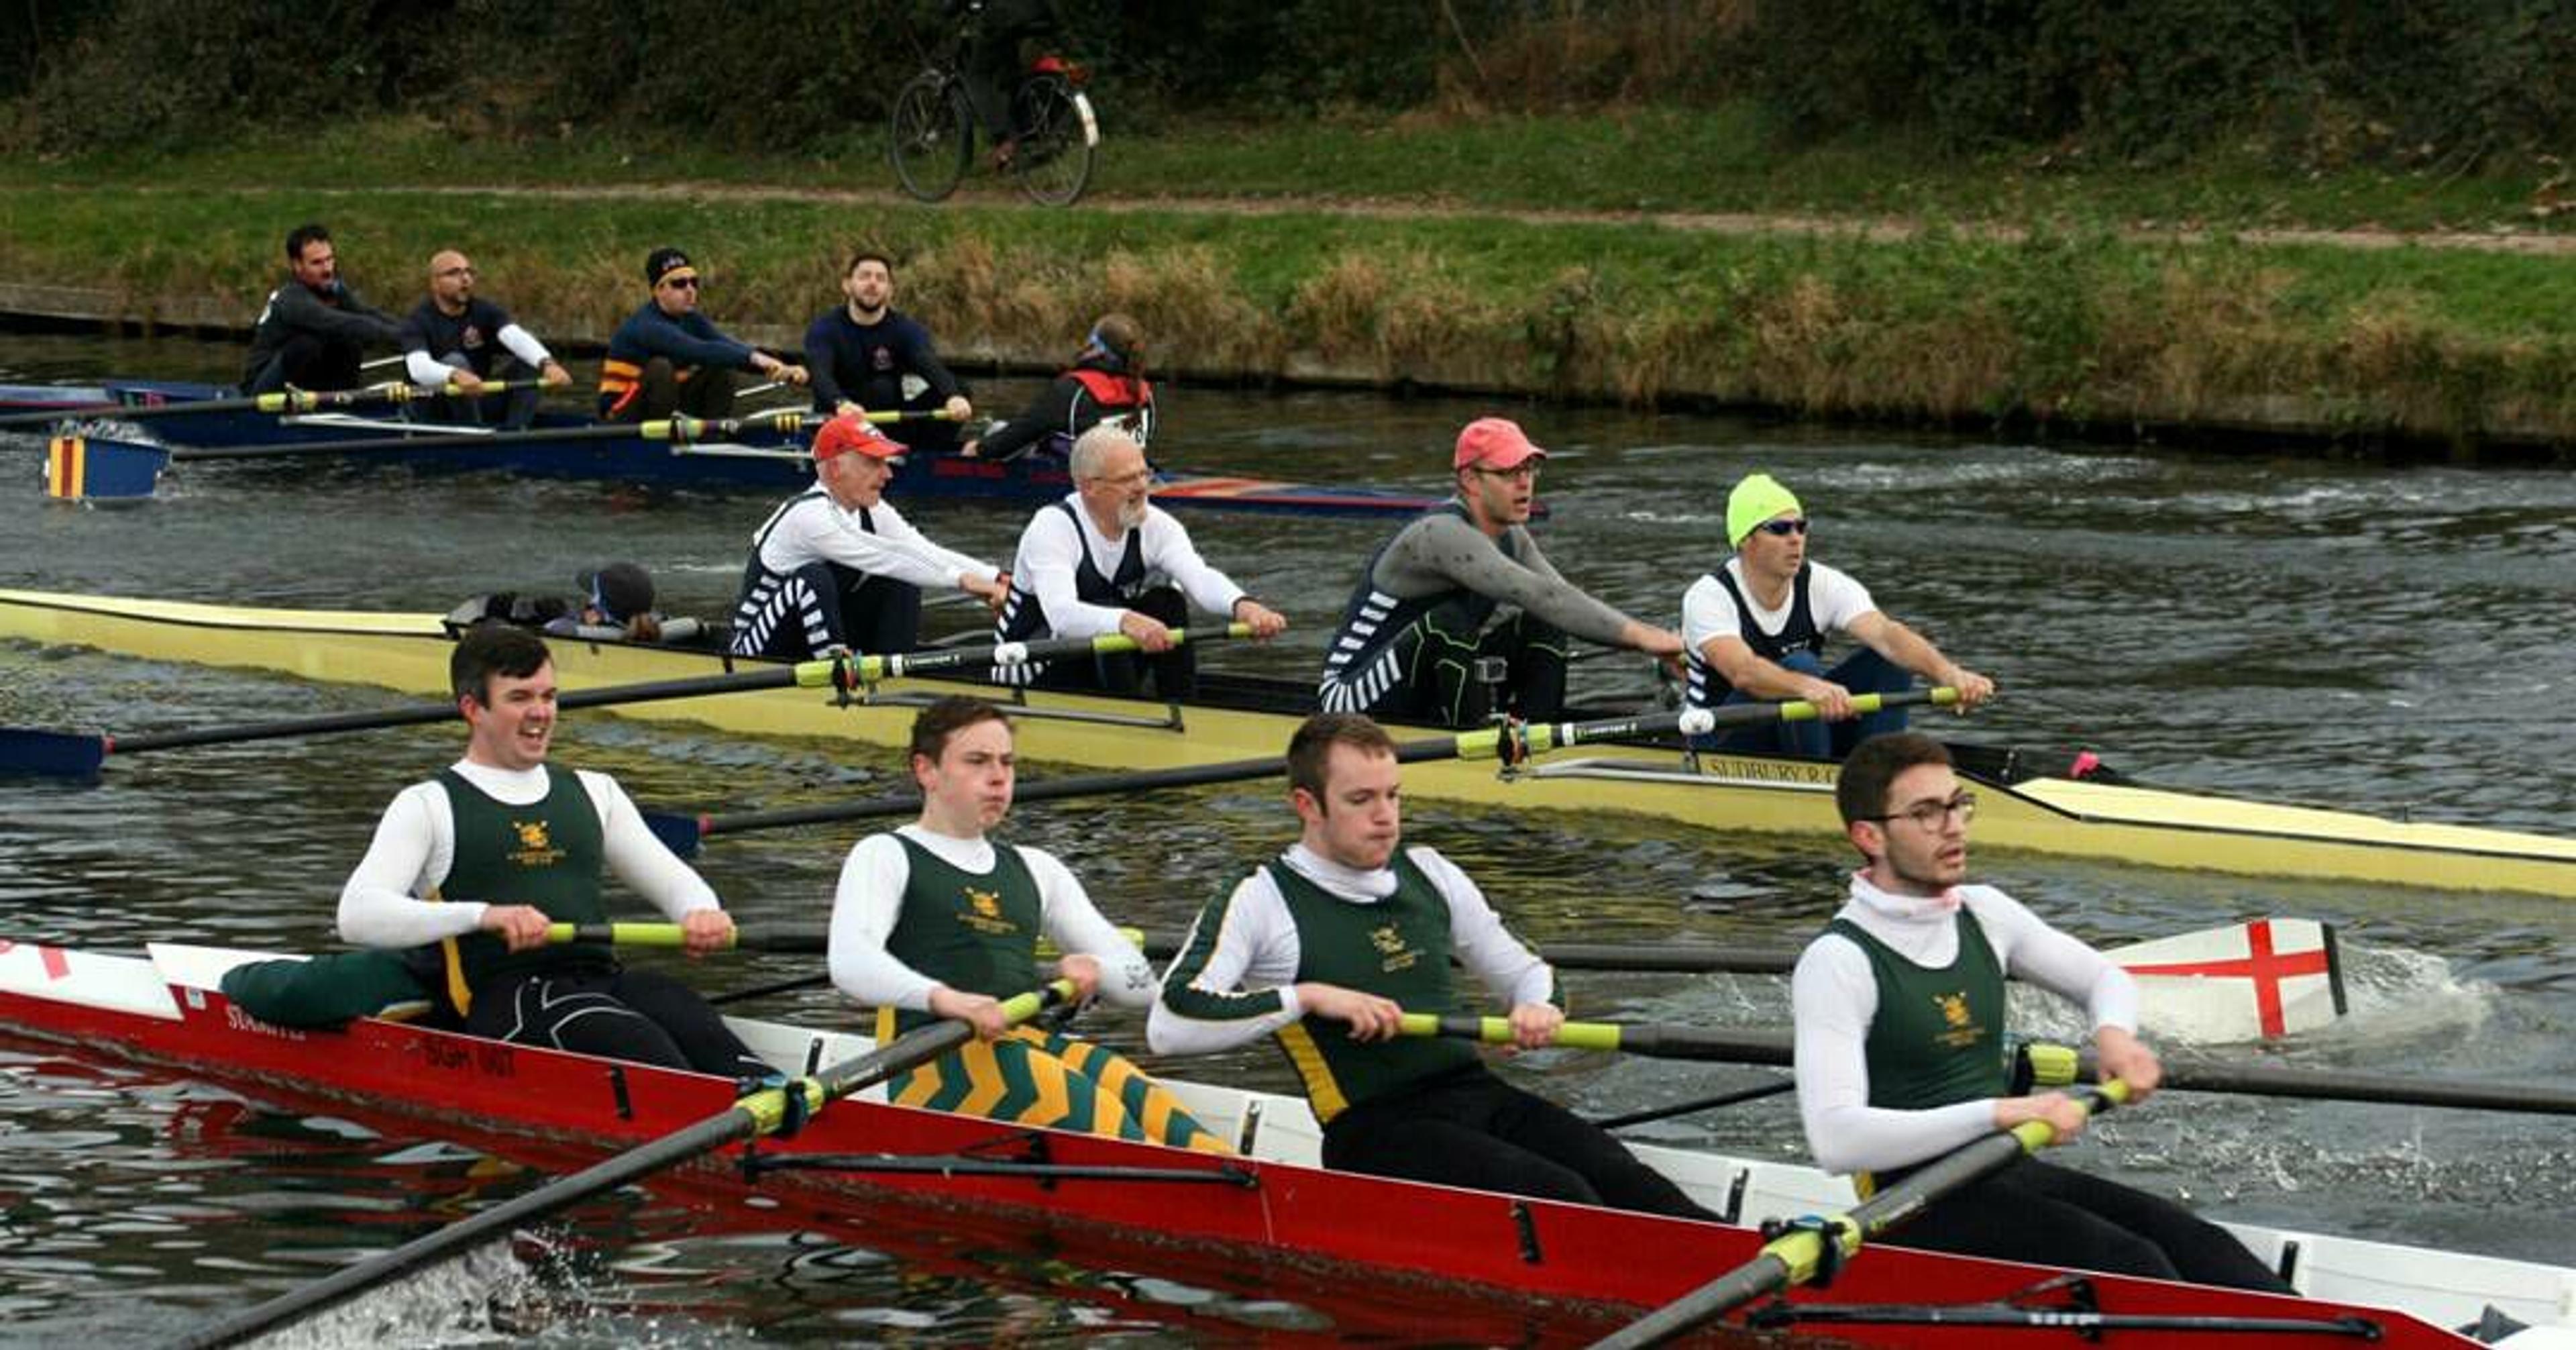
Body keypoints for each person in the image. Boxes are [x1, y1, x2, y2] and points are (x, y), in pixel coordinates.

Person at [1150, 712, 1715, 1219]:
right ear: (1307, 805)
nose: (1385, 818)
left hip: (1477, 1094)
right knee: (1560, 1195)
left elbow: (1526, 971)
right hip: (1373, 1131)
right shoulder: (1261, 898)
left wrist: (1537, 1007)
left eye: (1394, 796)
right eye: (1361, 800)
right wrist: (1310, 998)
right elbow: (1170, 1025)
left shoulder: (1430, 872)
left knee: (1628, 1180)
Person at [1790, 731, 2290, 1290]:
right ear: (1869, 835)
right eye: (1927, 814)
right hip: (1911, 1201)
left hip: (2004, 1168)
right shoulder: (1837, 962)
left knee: (2202, 1247)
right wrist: (2002, 1114)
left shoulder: (1985, 913)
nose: (1953, 827)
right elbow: (1837, 1141)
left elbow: (2105, 976)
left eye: (1958, 804)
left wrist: (2115, 1037)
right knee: (2133, 1265)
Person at [335, 625, 765, 1077]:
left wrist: (701, 912)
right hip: (508, 1000)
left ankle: (776, 1112)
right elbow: (357, 914)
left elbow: (674, 880)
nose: (541, 713)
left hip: (602, 980)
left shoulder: (596, 791)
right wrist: (485, 916)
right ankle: (743, 1132)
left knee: (693, 1019)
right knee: (635, 1043)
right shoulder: (428, 804)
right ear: (472, 709)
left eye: (549, 696)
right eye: (520, 698)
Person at [829, 696, 1229, 1152]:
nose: (999, 777)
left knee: (1155, 1108)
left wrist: (1100, 971)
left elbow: (1143, 986)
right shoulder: (885, 855)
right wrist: (949, 1000)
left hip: (1025, 1046)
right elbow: (851, 962)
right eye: (977, 761)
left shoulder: (1037, 868)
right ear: (927, 771)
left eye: (1007, 762)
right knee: (1111, 1125)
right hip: (930, 1061)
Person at [1316, 417, 1684, 728]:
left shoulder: (1514, 538)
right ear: (1471, 480)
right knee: (1449, 624)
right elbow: (1542, 595)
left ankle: (1534, 741)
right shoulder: (1439, 534)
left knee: (1546, 623)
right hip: (1348, 702)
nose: (1525, 482)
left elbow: (1564, 600)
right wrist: (1643, 637)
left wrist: (1657, 645)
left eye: (1529, 469)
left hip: (1425, 687)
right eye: (1509, 472)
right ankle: (1481, 752)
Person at [1682, 472, 1994, 759]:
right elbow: (1744, 672)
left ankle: (1875, 769)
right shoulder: (1708, 597)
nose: (1796, 538)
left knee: (1889, 659)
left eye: (1801, 527)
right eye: (1780, 529)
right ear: (1745, 541)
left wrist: (1947, 673)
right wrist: (1806, 686)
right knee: (1802, 664)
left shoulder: (1823, 583)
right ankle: (1822, 780)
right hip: (1720, 739)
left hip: (1799, 723)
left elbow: (1887, 635)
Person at [990, 423, 1285, 698]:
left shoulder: (1156, 525)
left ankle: (1183, 707)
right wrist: (1126, 620)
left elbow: (1200, 577)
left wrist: (1242, 605)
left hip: (1101, 663)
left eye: (1144, 474)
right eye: (1127, 479)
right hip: (1030, 672)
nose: (1142, 487)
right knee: (1111, 616)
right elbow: (1062, 615)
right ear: (1090, 486)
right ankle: (1131, 719)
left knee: (1167, 602)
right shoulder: (1052, 527)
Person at [731, 414, 1010, 660]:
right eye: (874, 462)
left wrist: (996, 578)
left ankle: (894, 674)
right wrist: (971, 584)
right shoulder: (809, 516)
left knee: (906, 574)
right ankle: (836, 675)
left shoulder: (871, 509)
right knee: (815, 577)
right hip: (758, 649)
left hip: (813, 637)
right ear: (836, 468)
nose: (888, 473)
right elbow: (887, 557)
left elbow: (921, 550)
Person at [598, 247, 808, 423]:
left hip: (666, 407)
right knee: (661, 368)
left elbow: (727, 346)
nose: (690, 290)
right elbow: (698, 350)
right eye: (679, 284)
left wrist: (780, 367)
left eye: (693, 282)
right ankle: (659, 446)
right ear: (658, 290)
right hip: (620, 414)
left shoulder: (692, 319)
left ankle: (713, 436)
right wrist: (760, 360)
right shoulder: (646, 326)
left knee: (723, 367)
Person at [804, 250, 971, 452]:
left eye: (880, 279)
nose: (873, 283)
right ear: (847, 285)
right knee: (881, 389)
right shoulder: (825, 329)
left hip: (889, 421)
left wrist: (953, 396)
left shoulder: (905, 329)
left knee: (959, 388)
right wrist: (841, 403)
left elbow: (928, 364)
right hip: (840, 419)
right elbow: (820, 374)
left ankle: (925, 456)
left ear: (890, 289)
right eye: (865, 276)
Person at [399, 249, 574, 429]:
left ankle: (517, 433)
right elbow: (418, 369)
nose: (465, 279)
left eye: (468, 272)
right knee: (455, 361)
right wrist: (454, 374)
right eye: (454, 273)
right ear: (435, 283)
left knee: (530, 361)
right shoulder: (417, 321)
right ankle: (475, 435)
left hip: (477, 396)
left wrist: (547, 364)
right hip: (434, 408)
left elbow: (516, 337)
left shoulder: (484, 310)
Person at [961, 313, 1150, 462]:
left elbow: (1023, 431)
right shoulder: (1144, 394)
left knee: (997, 429)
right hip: (1124, 471)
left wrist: (979, 449)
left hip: (1075, 477)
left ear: (1096, 347)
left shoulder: (1073, 390)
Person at [241, 223, 403, 395]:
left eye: (330, 259)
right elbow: (347, 323)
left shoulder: (333, 289)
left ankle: (343, 401)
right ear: (298, 266)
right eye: (317, 263)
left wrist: (415, 333)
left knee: (350, 342)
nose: (327, 269)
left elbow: (367, 314)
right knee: (310, 342)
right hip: (260, 391)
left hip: (305, 383)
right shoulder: (293, 300)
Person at [444, 562, 704, 646]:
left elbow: (544, 633)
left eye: (592, 596)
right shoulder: (669, 625)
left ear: (599, 607)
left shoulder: (562, 630)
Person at [954, 0, 1062, 166]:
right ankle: (1030, 136)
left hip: (1007, 17)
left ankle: (1003, 139)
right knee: (1012, 76)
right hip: (1041, 15)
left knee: (977, 76)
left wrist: (950, 7)